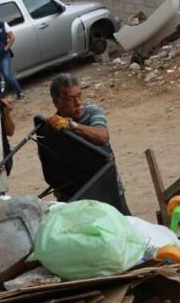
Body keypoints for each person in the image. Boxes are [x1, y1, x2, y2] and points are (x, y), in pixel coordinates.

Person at [47, 72, 128, 211]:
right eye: (71, 99)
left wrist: (72, 126)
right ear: (56, 102)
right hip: (76, 196)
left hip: (107, 187)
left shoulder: (91, 111)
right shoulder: (53, 126)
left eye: (79, 96)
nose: (78, 103)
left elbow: (102, 137)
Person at [0, 8, 24, 101]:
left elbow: (12, 38)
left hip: (4, 54)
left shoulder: (3, 24)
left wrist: (5, 48)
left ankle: (20, 92)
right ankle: (0, 96)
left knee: (7, 74)